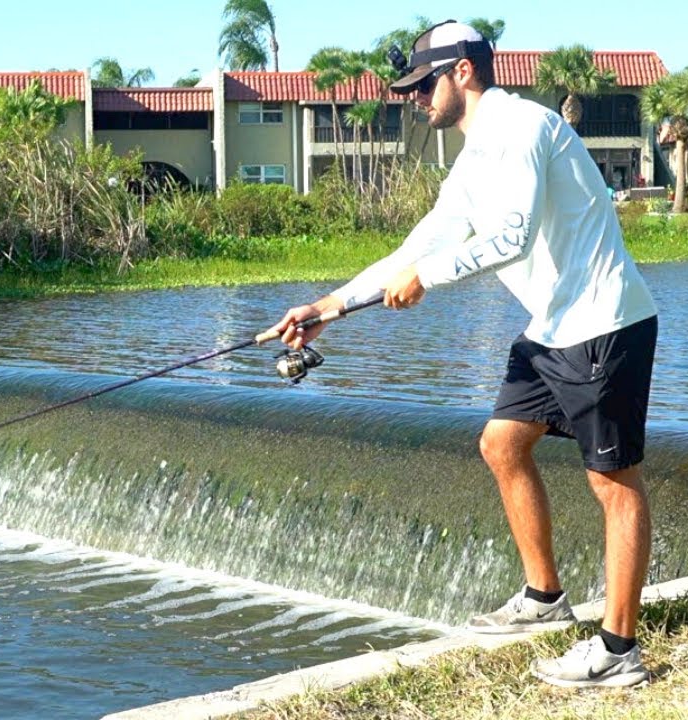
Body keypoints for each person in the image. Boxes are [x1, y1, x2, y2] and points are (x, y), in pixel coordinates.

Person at [269, 20, 659, 689]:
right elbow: (420, 243)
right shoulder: (474, 154)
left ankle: (619, 650)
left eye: (423, 84)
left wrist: (430, 276)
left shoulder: (523, 128)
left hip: (602, 321)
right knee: (502, 444)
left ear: (464, 72)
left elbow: (511, 234)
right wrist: (328, 307)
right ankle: (544, 598)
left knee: (612, 484)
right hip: (550, 328)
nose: (416, 98)